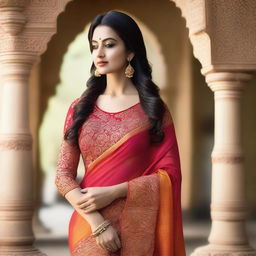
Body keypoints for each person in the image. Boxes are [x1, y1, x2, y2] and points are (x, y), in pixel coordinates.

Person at [55, 10, 186, 256]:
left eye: (110, 45)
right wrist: (98, 223)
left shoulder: (153, 109)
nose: (99, 54)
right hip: (89, 226)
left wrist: (116, 191)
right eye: (94, 46)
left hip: (139, 224)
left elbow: (171, 174)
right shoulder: (80, 108)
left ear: (130, 52)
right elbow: (63, 176)